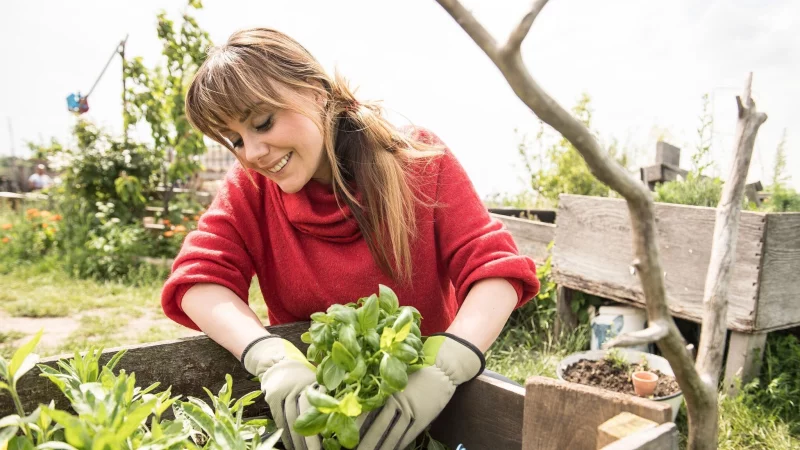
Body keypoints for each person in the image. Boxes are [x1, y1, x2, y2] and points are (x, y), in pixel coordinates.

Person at [161, 27, 539, 450]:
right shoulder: (251, 187)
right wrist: (267, 356)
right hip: (319, 419)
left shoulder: (417, 160)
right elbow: (198, 281)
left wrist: (448, 365)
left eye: (262, 123)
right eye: (235, 140)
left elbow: (494, 271)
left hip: (427, 411)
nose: (252, 152)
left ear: (316, 92)